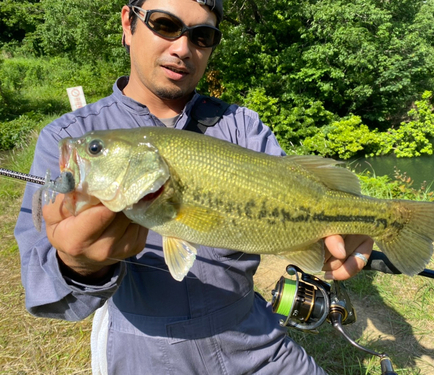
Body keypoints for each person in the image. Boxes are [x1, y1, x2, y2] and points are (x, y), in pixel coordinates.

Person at [15, 0, 374, 374]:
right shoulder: (67, 137)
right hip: (144, 352)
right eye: (164, 24)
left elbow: (303, 202)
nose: (182, 48)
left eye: (202, 36)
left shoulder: (243, 126)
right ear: (128, 23)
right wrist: (79, 266)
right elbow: (41, 285)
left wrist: (345, 234)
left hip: (256, 337)